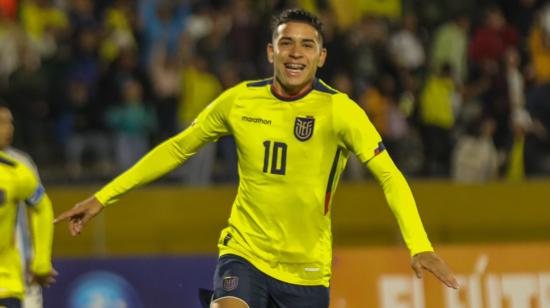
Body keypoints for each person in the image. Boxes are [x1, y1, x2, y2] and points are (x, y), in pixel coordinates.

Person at [54, 9, 459, 307]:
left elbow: (389, 175)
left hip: (308, 269)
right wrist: (103, 197)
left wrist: (419, 245)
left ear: (322, 57)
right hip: (244, 251)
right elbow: (179, 147)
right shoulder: (239, 100)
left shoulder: (341, 111)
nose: (295, 52)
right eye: (286, 42)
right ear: (270, 51)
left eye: (307, 44)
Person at [0, 105, 56, 308]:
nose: (8, 129)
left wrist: (38, 259)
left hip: (12, 274)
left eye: (10, 123)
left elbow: (40, 208)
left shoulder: (20, 167)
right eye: (2, 123)